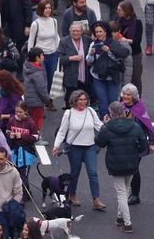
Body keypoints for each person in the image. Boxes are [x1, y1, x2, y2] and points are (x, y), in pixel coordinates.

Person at [96, 100, 148, 233]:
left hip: (116, 164)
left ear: (111, 114)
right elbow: (143, 145)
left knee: (121, 192)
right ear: (124, 112)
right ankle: (120, 217)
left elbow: (100, 142)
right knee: (125, 189)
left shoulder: (108, 127)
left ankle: (127, 222)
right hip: (132, 163)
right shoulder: (135, 126)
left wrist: (104, 125)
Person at [51, 90, 104, 212]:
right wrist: (56, 146)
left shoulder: (90, 111)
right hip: (74, 147)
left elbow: (99, 126)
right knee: (75, 172)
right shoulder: (69, 114)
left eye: (85, 99)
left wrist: (111, 131)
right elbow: (62, 131)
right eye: (80, 99)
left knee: (93, 172)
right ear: (74, 101)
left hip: (90, 146)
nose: (83, 102)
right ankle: (73, 195)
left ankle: (96, 199)